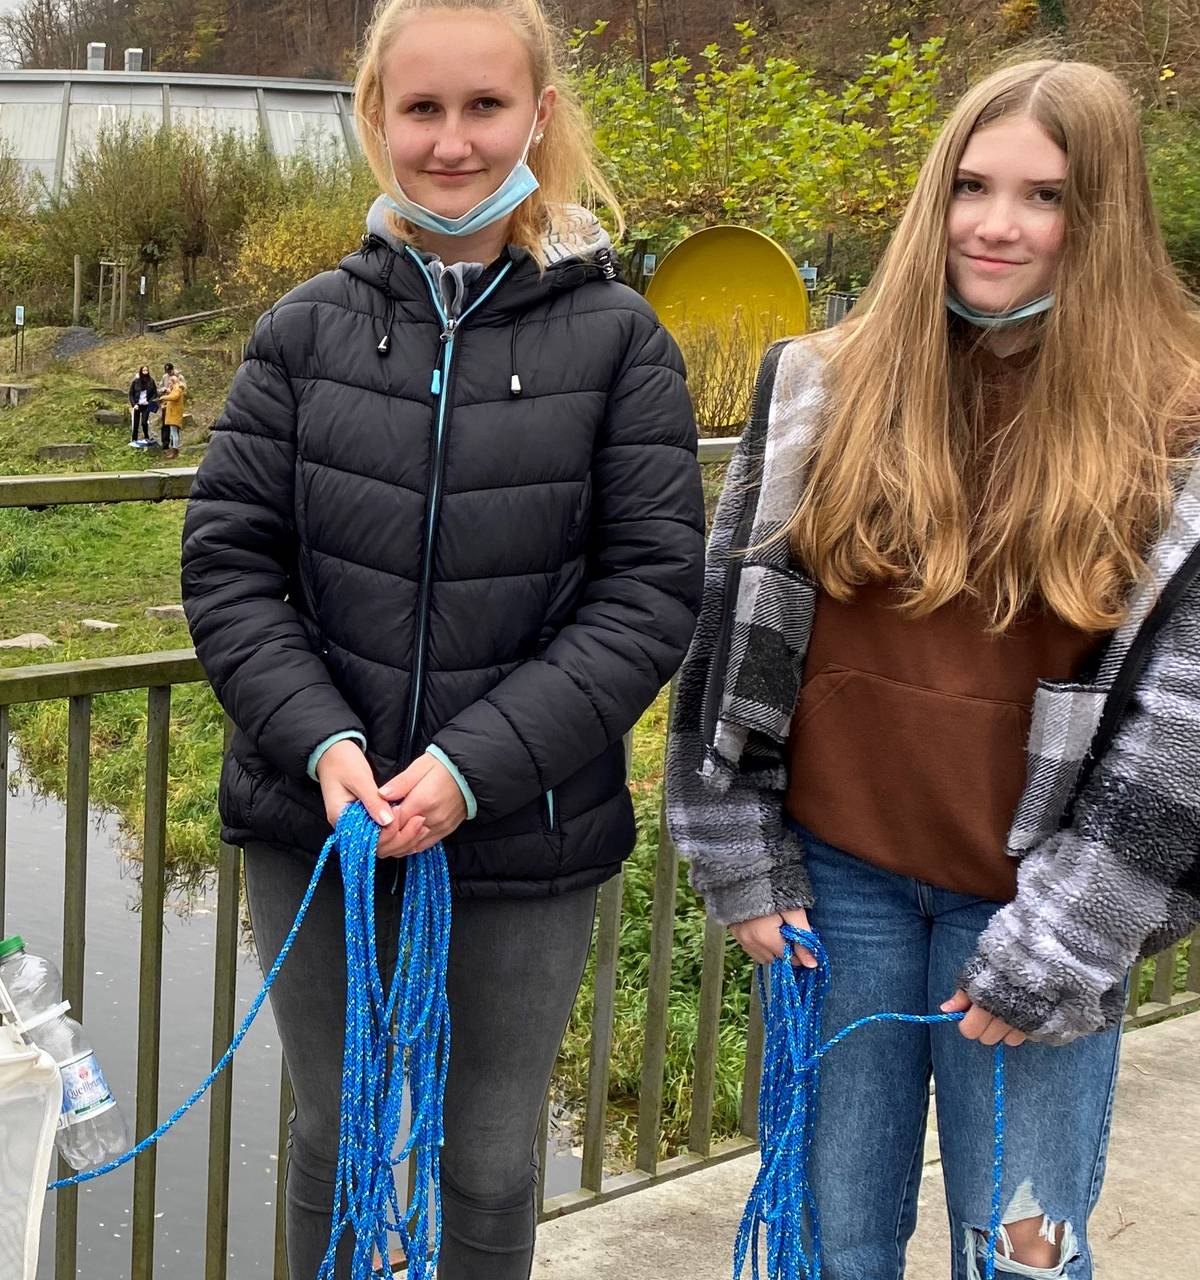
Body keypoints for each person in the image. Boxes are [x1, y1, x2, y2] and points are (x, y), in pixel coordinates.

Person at [665, 59, 1200, 1280]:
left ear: (1103, 218)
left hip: (1031, 908)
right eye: (970, 185)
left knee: (1019, 1254)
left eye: (1043, 197)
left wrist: (1063, 940)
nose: (994, 224)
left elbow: (1190, 728)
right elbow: (729, 632)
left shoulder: (1190, 437)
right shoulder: (821, 383)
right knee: (821, 1242)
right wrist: (735, 848)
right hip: (834, 895)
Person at [181, 1, 703, 1275]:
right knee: (333, 1136)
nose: (454, 142)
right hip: (323, 822)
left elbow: (646, 591)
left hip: (526, 831)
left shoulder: (620, 342)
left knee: (489, 1161)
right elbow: (231, 563)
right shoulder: (302, 333)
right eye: (422, 109)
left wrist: (474, 764)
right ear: (374, 119)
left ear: (538, 115)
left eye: (484, 107)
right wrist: (319, 739)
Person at [157, 361, 187, 458]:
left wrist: (165, 397)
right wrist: (164, 391)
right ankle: (166, 444)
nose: (168, 373)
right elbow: (160, 387)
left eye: (169, 371)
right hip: (168, 406)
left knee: (174, 430)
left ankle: (175, 448)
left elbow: (176, 395)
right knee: (166, 426)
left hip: (174, 408)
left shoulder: (179, 380)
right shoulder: (164, 377)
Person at [129, 364, 159, 447]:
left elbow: (155, 393)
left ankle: (147, 437)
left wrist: (150, 401)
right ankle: (134, 439)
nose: (145, 372)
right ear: (141, 371)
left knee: (144, 422)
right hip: (137, 405)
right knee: (135, 423)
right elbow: (131, 394)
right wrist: (134, 404)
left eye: (146, 370)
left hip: (146, 405)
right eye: (143, 371)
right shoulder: (136, 382)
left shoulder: (151, 381)